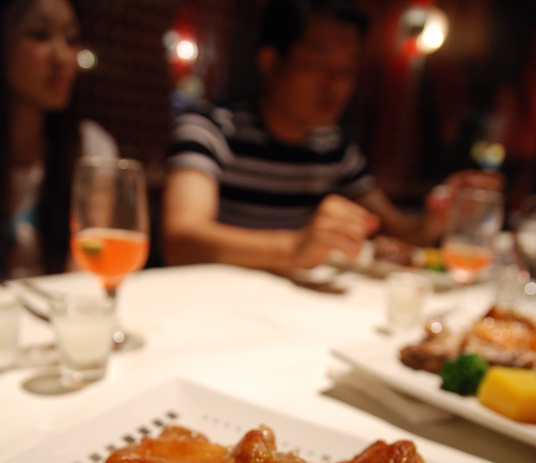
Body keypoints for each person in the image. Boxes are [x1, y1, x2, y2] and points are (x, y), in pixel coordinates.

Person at [162, 0, 503, 275]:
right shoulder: (209, 129)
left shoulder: (332, 146)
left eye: (347, 71)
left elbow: (398, 231)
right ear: (271, 62)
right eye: (318, 64)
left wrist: (441, 216)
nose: (335, 85)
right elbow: (181, 239)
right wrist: (294, 248)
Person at [0, 0, 118, 280]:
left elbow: (86, 266)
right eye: (39, 34)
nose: (63, 57)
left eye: (71, 39)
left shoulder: (91, 148)